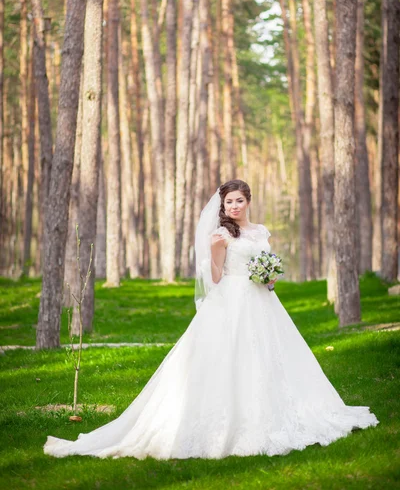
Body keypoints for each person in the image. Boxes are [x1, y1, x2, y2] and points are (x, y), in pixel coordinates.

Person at [44, 179, 379, 460]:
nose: (234, 206)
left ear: (249, 201)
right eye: (229, 201)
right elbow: (216, 278)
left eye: (239, 200)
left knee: (271, 356)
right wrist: (214, 252)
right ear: (223, 205)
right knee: (229, 358)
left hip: (263, 301)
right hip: (232, 300)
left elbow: (264, 265)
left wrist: (269, 278)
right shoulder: (221, 234)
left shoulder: (260, 231)